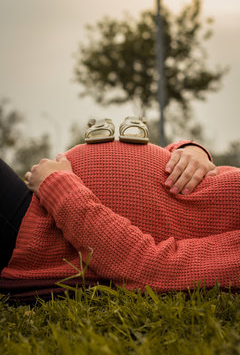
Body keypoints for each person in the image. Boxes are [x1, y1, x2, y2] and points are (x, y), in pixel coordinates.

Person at [0, 119, 239, 295]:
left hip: (36, 235)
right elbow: (206, 196)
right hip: (39, 204)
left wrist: (59, 188)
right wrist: (192, 150)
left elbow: (154, 268)